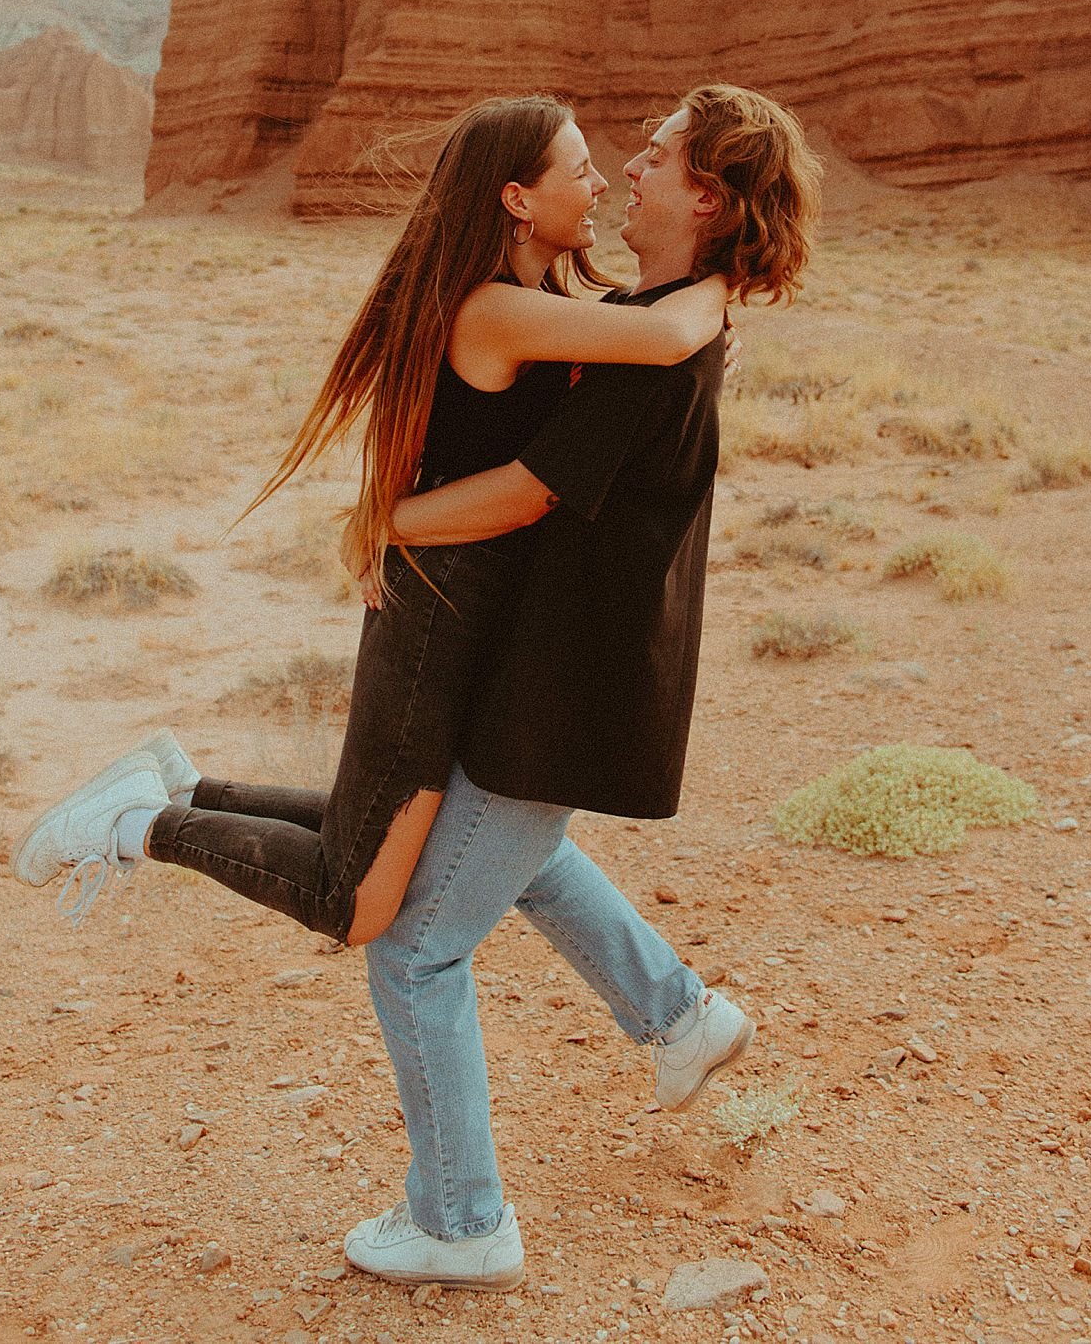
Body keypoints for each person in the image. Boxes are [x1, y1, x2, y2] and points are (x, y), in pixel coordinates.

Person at [10, 95, 731, 945]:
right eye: (579, 170)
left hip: (476, 603)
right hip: (439, 606)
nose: (603, 179)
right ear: (517, 200)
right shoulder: (494, 309)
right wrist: (722, 285)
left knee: (390, 822)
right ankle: (137, 825)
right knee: (354, 902)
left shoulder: (552, 306)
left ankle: (182, 787)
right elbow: (658, 339)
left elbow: (642, 354)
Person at [339, 84, 822, 1292]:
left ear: (704, 195)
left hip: (564, 686)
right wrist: (721, 290)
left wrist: (381, 526)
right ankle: (678, 1017)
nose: (624, 172)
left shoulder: (661, 334)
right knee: (518, 853)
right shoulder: (652, 314)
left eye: (654, 158)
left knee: (414, 951)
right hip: (565, 674)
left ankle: (462, 1223)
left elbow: (525, 492)